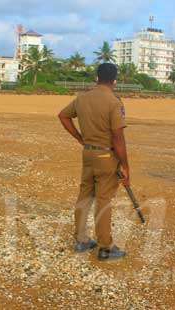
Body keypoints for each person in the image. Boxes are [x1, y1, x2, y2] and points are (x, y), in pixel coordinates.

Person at [58, 63, 129, 261]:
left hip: (88, 154)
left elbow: (63, 116)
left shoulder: (82, 98)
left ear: (97, 77)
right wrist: (125, 165)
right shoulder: (114, 102)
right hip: (106, 156)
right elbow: (118, 138)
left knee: (85, 196)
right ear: (115, 80)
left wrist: (80, 138)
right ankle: (105, 247)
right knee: (104, 200)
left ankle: (81, 240)